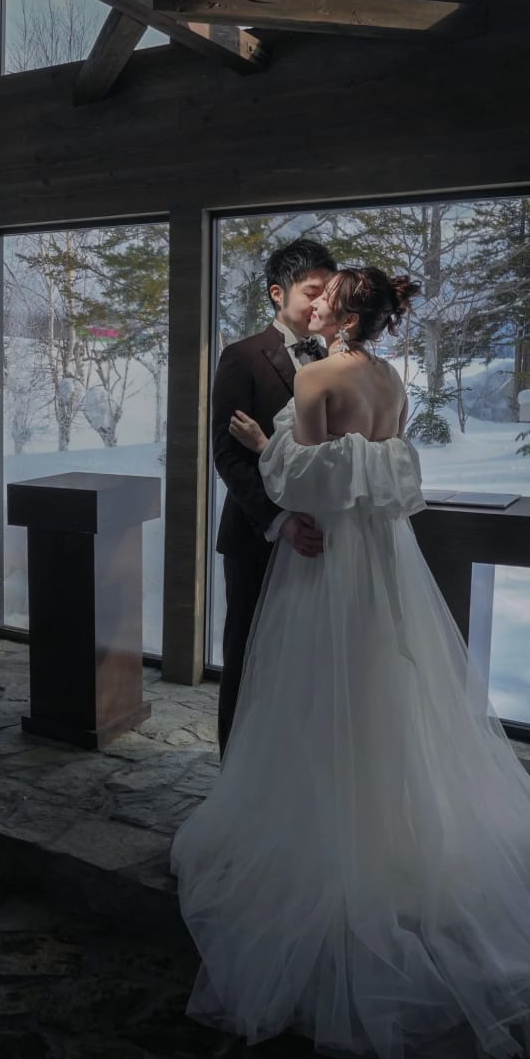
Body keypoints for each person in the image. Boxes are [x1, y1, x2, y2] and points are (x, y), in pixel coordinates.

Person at [171, 265, 530, 1059]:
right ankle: (395, 839)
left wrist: (263, 443)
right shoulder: (392, 380)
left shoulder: (316, 378)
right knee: (389, 691)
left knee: (316, 696)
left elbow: (298, 478)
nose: (317, 307)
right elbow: (385, 473)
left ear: (345, 317)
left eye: (328, 300)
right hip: (385, 556)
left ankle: (327, 848)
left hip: (326, 564)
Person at [207, 237, 338, 757]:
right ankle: (234, 773)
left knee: (304, 663)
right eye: (312, 291)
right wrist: (280, 521)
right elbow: (227, 456)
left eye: (328, 291)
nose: (321, 302)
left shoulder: (334, 358)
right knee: (247, 656)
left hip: (321, 541)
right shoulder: (242, 357)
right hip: (256, 537)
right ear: (277, 294)